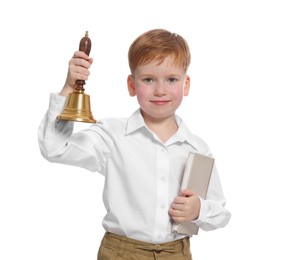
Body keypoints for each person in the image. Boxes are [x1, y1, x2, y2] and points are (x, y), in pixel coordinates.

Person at [38, 28, 231, 260]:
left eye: (171, 79)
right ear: (132, 85)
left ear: (185, 84)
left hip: (177, 253)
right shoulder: (111, 136)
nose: (160, 90)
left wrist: (199, 209)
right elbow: (55, 148)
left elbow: (220, 213)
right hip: (121, 253)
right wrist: (70, 87)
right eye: (148, 79)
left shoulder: (197, 148)